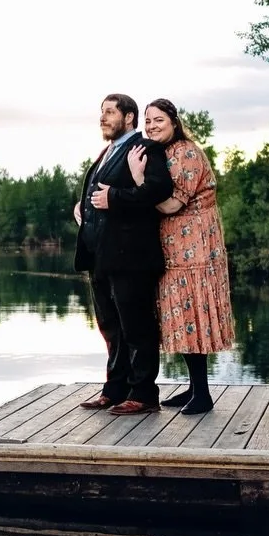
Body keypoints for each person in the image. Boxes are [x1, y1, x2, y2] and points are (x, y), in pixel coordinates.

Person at [127, 98, 234, 417]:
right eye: (148, 121)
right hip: (176, 248)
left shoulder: (186, 152)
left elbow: (172, 204)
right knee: (183, 317)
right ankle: (194, 387)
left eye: (158, 119)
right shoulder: (165, 152)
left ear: (174, 122)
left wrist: (138, 181)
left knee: (193, 315)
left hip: (196, 247)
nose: (151, 126)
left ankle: (203, 394)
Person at [72, 92, 172, 414]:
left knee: (137, 327)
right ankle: (115, 390)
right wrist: (83, 207)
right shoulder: (108, 152)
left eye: (110, 112)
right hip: (101, 256)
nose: (103, 118)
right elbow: (101, 193)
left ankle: (144, 394)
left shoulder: (145, 148)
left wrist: (114, 198)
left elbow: (159, 190)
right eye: (101, 112)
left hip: (132, 257)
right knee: (111, 328)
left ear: (128, 117)